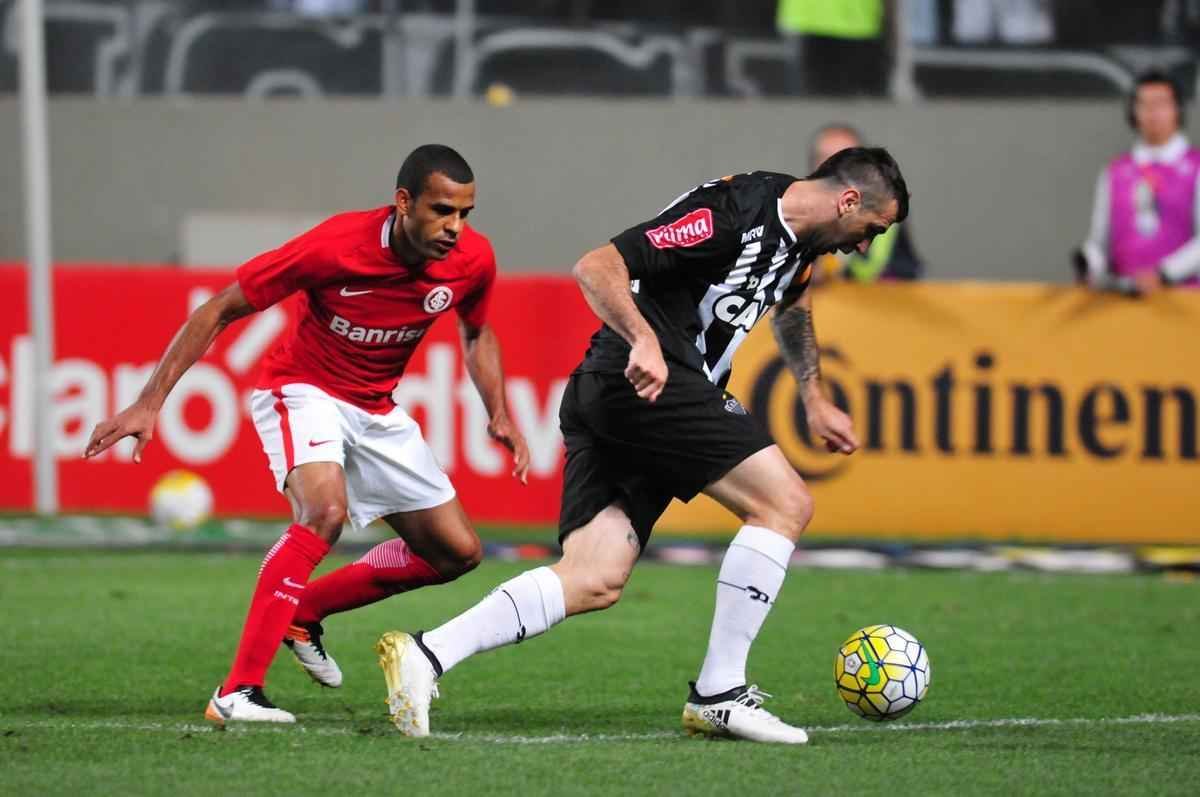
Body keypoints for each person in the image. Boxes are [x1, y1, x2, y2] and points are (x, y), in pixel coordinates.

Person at [375, 147, 909, 744]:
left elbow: (792, 303)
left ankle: (427, 653)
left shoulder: (803, 243)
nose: (863, 245)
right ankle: (720, 691)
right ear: (849, 200)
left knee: (594, 578)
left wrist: (812, 394)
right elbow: (596, 266)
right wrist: (643, 340)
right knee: (785, 503)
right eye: (871, 230)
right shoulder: (732, 211)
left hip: (625, 396)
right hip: (644, 381)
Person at [84, 144, 530, 724]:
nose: (455, 228)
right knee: (324, 511)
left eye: (465, 214)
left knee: (456, 552)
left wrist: (498, 410)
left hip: (376, 408)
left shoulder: (472, 260)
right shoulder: (336, 247)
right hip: (302, 389)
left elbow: (476, 332)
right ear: (403, 202)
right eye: (442, 210)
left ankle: (304, 610)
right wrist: (149, 402)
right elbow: (219, 308)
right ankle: (237, 692)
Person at [1077, 70, 1200, 293]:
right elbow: (1099, 242)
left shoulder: (1195, 167)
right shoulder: (1116, 172)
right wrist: (1089, 265)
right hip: (1125, 300)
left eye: (1161, 104)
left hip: (1185, 303)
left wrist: (1164, 274)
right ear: (1133, 113)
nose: (1153, 113)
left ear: (1178, 110)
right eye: (1144, 105)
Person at [808, 123, 923, 282]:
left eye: (847, 160)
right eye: (826, 158)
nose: (836, 169)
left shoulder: (886, 216)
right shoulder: (796, 211)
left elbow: (907, 274)